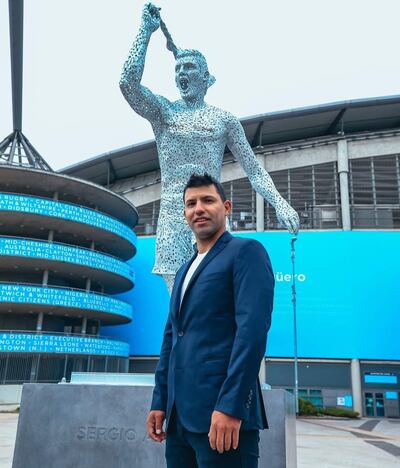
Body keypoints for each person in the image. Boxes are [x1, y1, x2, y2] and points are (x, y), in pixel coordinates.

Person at [120, 3, 299, 292]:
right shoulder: (164, 113)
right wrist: (145, 32)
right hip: (173, 218)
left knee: (213, 296)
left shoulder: (223, 120)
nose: (181, 73)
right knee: (179, 304)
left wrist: (280, 203)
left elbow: (253, 170)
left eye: (189, 67)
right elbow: (128, 83)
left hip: (210, 214)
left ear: (206, 78)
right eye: (178, 68)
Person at [146, 173, 274, 468]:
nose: (198, 208)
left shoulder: (246, 252)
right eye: (191, 204)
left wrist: (231, 405)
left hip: (223, 420)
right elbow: (171, 339)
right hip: (179, 422)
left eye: (207, 200)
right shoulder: (183, 270)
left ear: (226, 207)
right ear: (184, 214)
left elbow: (251, 333)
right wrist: (160, 400)